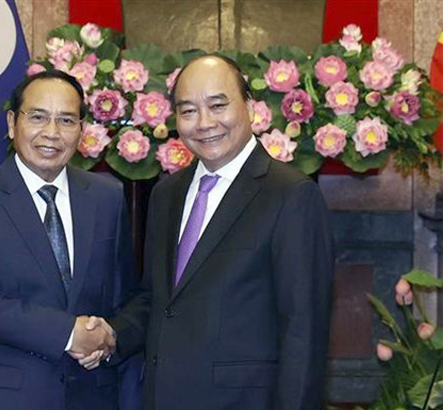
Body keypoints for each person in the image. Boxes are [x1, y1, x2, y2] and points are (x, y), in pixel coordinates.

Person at [105, 55, 335, 410]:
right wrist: (109, 337)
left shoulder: (290, 194)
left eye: (217, 105)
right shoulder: (167, 194)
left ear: (250, 107)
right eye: (188, 111)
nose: (204, 123)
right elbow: (157, 299)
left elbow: (303, 330)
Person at [0, 70, 139, 410]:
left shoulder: (107, 197)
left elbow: (125, 294)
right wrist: (68, 333)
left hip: (92, 395)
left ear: (81, 130)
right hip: (4, 398)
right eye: (37, 117)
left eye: (66, 120)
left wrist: (109, 339)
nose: (51, 133)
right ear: (11, 123)